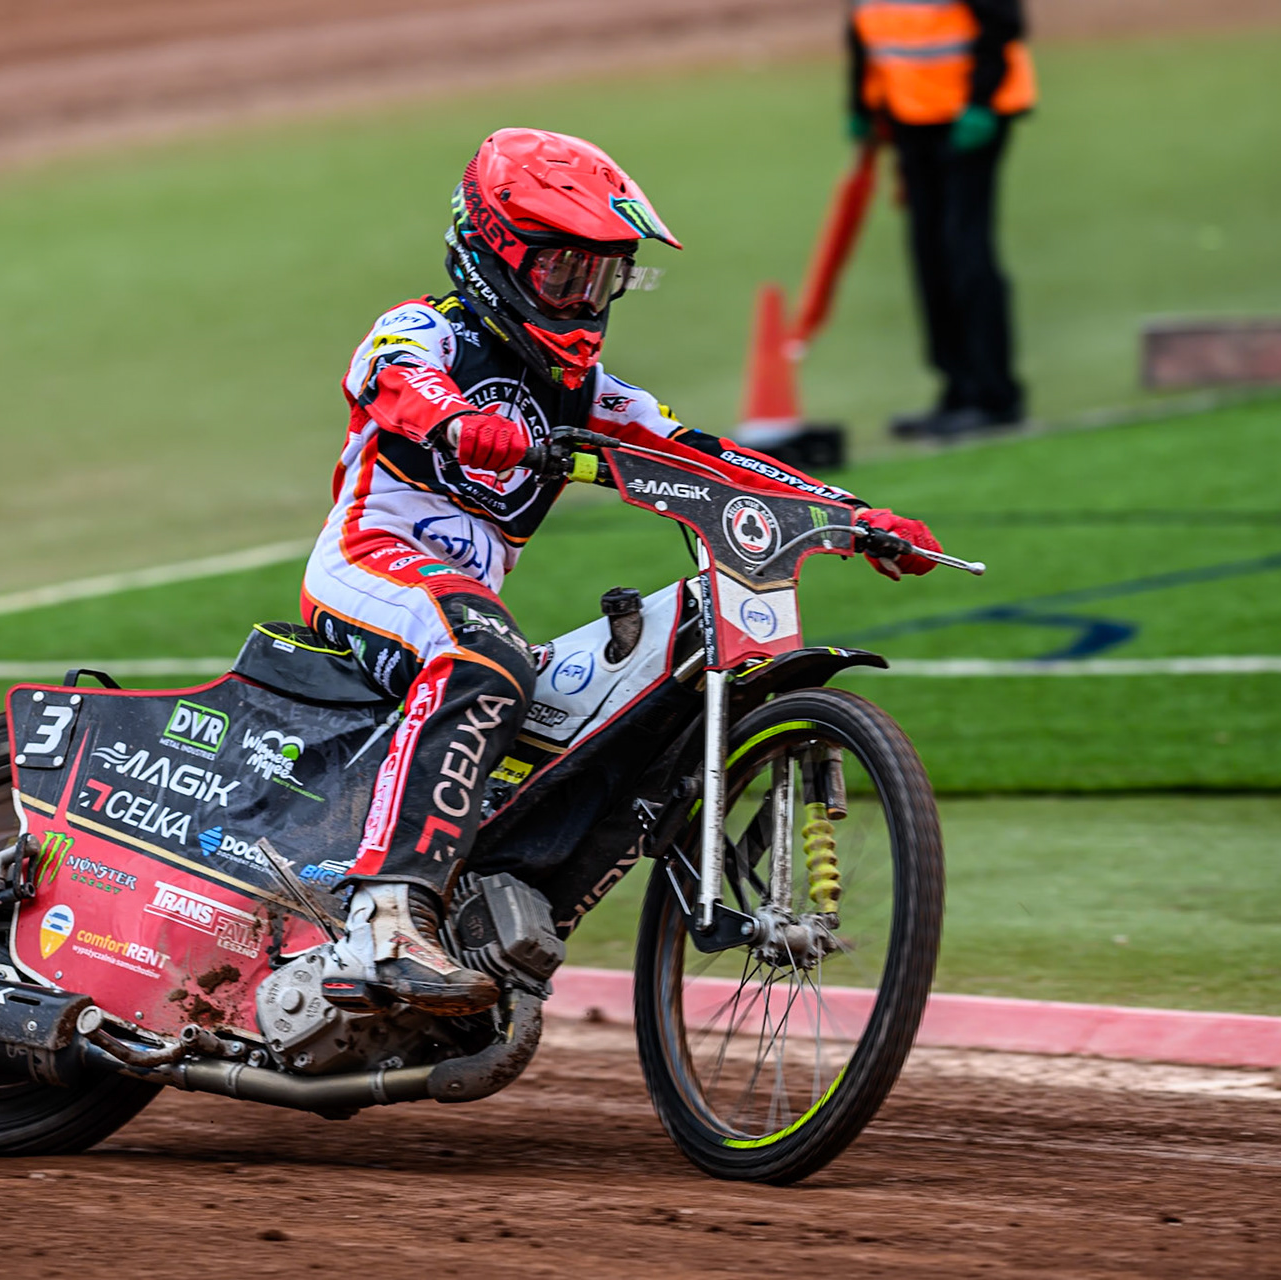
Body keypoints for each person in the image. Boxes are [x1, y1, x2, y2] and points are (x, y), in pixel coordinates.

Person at [303, 127, 944, 1014]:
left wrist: (851, 515)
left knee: (593, 681)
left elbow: (704, 454)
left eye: (604, 276)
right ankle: (385, 924)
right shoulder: (424, 330)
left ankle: (490, 895)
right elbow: (394, 379)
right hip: (369, 564)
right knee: (484, 659)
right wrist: (456, 422)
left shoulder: (590, 389)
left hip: (467, 601)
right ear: (494, 254)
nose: (586, 297)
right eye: (564, 271)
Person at [847, 0, 1036, 439]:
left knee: (964, 251)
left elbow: (1002, 24)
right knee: (928, 253)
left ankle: (995, 396)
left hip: (970, 115)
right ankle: (957, 388)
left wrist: (981, 103)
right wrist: (861, 104)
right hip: (908, 114)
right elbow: (864, 29)